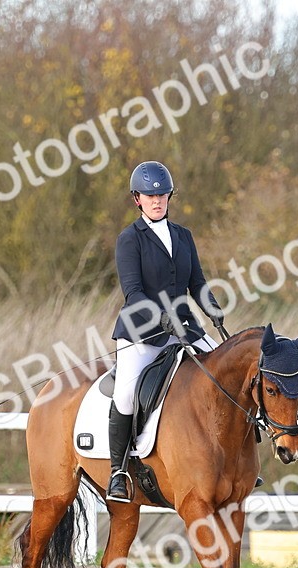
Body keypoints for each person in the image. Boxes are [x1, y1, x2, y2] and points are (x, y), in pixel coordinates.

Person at [107, 160, 224, 502]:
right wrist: (164, 319)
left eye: (163, 195)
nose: (157, 201)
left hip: (185, 328)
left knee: (224, 376)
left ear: (170, 196)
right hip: (141, 333)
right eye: (150, 196)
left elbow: (197, 283)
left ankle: (230, 458)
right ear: (137, 200)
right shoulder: (129, 240)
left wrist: (214, 313)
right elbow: (134, 294)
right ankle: (118, 471)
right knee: (126, 394)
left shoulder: (183, 236)